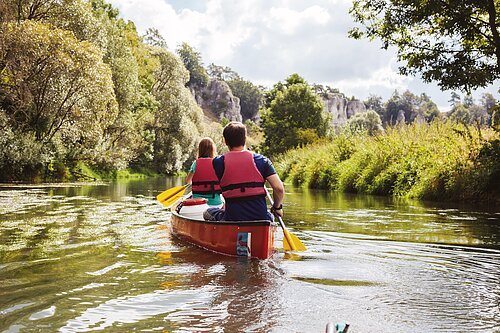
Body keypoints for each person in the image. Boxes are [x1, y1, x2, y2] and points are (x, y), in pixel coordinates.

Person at [204, 122, 284, 221]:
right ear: (245, 139)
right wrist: (277, 207)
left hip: (232, 218)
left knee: (207, 213)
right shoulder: (262, 160)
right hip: (260, 219)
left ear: (225, 141)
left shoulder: (218, 162)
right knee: (270, 216)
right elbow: (279, 188)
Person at [186, 137, 223, 206]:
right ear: (213, 149)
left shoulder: (195, 163)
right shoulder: (217, 163)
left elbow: (188, 180)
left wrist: (195, 184)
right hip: (215, 203)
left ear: (200, 150)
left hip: (198, 204)